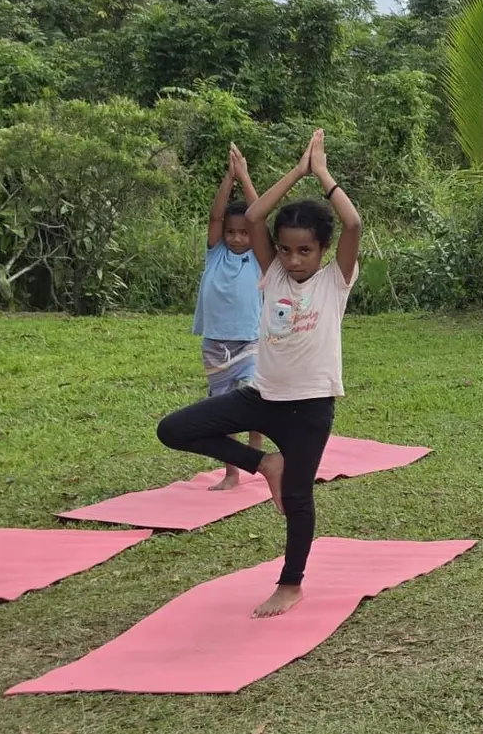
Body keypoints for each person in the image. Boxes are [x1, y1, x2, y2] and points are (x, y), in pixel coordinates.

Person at [156, 129, 361, 618]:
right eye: (286, 250)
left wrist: (321, 171)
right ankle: (262, 463)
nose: (293, 259)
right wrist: (296, 168)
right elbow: (252, 217)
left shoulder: (336, 281)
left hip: (310, 407)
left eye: (304, 251)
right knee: (174, 429)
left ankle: (290, 584)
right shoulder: (269, 272)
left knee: (298, 498)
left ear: (322, 250)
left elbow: (352, 223)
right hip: (262, 397)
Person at [193, 143, 265, 490]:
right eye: (232, 233)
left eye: (244, 232)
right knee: (223, 411)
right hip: (216, 346)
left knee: (253, 402)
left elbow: (259, 214)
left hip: (250, 342)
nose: (237, 238)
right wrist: (229, 177)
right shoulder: (216, 253)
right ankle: (232, 472)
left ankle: (258, 459)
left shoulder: (258, 258)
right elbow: (216, 217)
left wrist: (246, 177)